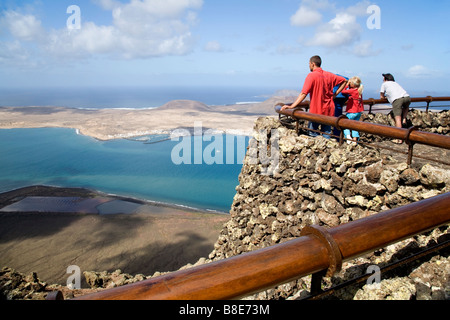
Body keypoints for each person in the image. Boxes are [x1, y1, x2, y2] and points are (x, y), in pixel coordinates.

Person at [281, 56, 347, 139]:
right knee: (326, 134)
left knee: (312, 134)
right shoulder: (329, 75)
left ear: (313, 64)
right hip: (328, 111)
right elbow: (344, 80)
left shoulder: (311, 76)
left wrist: (292, 106)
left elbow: (303, 93)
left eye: (309, 64)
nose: (308, 66)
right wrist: (335, 94)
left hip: (316, 111)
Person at [380, 73, 411, 144]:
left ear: (385, 79)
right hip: (407, 97)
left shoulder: (384, 84)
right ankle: (404, 118)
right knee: (406, 107)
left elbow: (381, 96)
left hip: (397, 100)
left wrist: (385, 97)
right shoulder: (395, 83)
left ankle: (399, 139)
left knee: (397, 119)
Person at [342, 76, 364, 145]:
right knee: (354, 126)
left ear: (353, 84)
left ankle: (348, 138)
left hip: (352, 111)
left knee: (344, 124)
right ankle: (355, 141)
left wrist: (346, 84)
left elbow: (343, 91)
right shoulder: (359, 90)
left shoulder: (353, 91)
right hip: (358, 112)